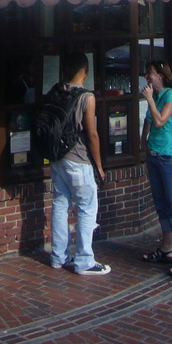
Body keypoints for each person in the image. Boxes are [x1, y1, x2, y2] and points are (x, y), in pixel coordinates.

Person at [48, 52, 110, 276]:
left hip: (57, 157)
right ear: (85, 70)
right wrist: (99, 165)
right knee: (86, 207)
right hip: (78, 159)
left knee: (60, 204)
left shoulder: (56, 91)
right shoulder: (86, 97)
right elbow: (92, 134)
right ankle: (85, 260)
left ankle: (58, 256)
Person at [140, 61, 172, 277]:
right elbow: (148, 121)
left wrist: (150, 99)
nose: (147, 78)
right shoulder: (158, 98)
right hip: (154, 156)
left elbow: (160, 120)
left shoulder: (171, 96)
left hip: (169, 157)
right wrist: (144, 143)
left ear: (161, 76)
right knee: (161, 204)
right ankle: (167, 248)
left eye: (150, 74)